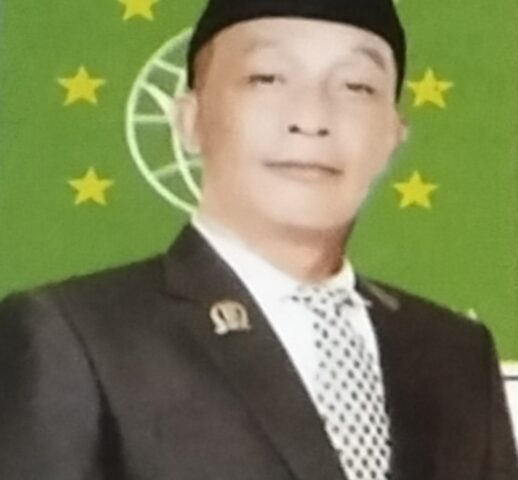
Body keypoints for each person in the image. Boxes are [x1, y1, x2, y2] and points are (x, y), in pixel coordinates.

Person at [0, 0, 516, 478]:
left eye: (356, 87)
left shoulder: (455, 353)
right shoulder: (75, 335)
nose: (311, 119)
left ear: (393, 134)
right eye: (267, 78)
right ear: (190, 120)